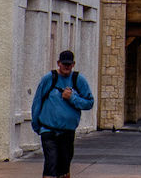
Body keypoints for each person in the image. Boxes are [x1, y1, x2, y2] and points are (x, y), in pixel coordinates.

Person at [31, 50, 95, 178]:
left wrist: (72, 98)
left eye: (69, 64)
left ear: (73, 64)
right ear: (58, 63)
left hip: (67, 131)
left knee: (64, 166)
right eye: (64, 63)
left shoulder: (78, 80)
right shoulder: (49, 79)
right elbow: (37, 101)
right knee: (51, 162)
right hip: (48, 129)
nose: (66, 66)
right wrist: (36, 125)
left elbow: (89, 103)